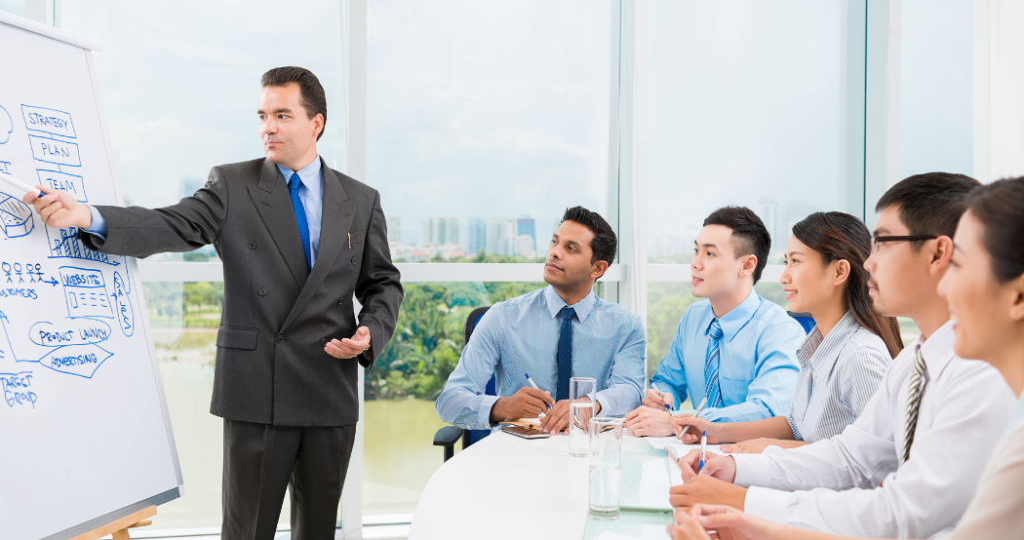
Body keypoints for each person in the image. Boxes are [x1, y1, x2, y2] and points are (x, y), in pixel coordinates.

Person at [24, 67, 404, 540]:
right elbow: (171, 224)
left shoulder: (361, 200)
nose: (269, 126)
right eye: (263, 115)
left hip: (330, 384)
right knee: (247, 531)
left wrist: (370, 332)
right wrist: (88, 215)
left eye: (283, 115)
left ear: (316, 123)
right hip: (258, 386)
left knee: (319, 531)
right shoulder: (232, 184)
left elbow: (383, 283)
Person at [664, 175, 1024, 540]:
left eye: (881, 243)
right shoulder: (912, 362)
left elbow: (902, 513)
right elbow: (854, 458)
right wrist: (738, 473)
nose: (868, 263)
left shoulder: (978, 377)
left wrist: (748, 503)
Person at [672, 212, 902, 453]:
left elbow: (879, 462)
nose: (784, 277)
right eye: (785, 263)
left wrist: (778, 449)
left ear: (839, 272)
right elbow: (796, 424)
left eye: (796, 261)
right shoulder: (814, 348)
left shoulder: (860, 356)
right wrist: (714, 431)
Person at [435, 206, 646, 434]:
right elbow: (449, 402)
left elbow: (631, 391)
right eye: (554, 242)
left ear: (597, 268)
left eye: (571, 248)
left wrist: (588, 405)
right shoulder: (503, 318)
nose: (554, 252)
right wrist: (502, 407)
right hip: (518, 455)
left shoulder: (626, 326)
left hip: (590, 451)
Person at [626, 207, 804, 437]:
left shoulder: (780, 331)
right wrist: (663, 398)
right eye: (696, 251)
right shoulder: (693, 317)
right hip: (692, 455)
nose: (695, 263)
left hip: (751, 460)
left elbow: (767, 411)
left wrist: (678, 422)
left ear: (747, 265)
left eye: (709, 254)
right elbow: (667, 380)